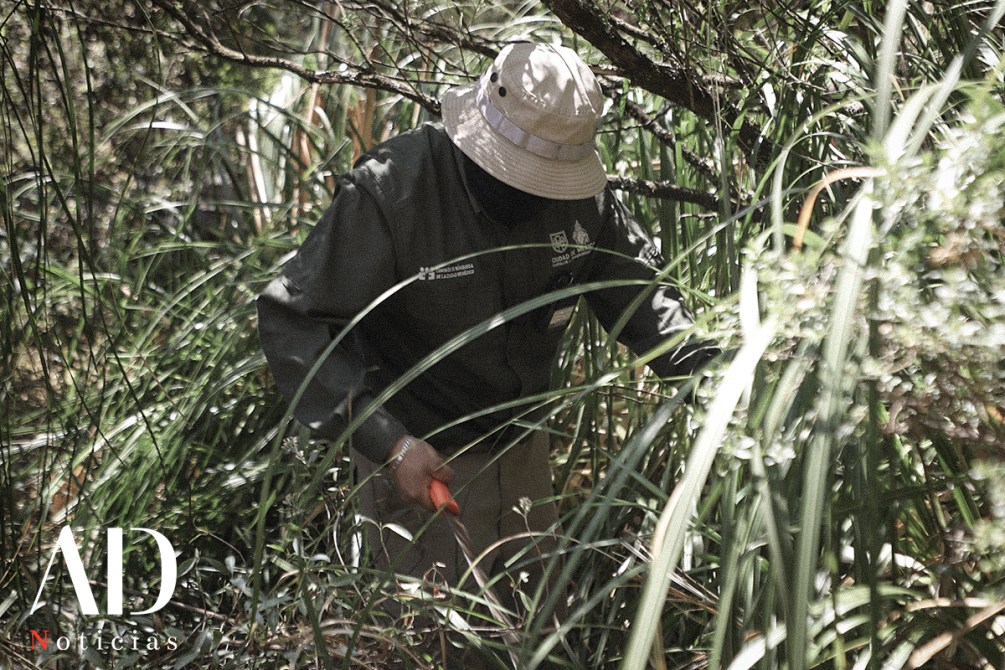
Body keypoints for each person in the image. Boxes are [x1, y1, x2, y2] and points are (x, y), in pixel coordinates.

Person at [256, 42, 717, 666]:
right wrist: (387, 442)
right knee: (432, 646)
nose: (531, 195)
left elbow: (636, 295)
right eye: (514, 176)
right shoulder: (395, 193)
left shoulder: (580, 197)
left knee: (533, 637)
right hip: (423, 465)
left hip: (524, 456)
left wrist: (716, 373)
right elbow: (295, 321)